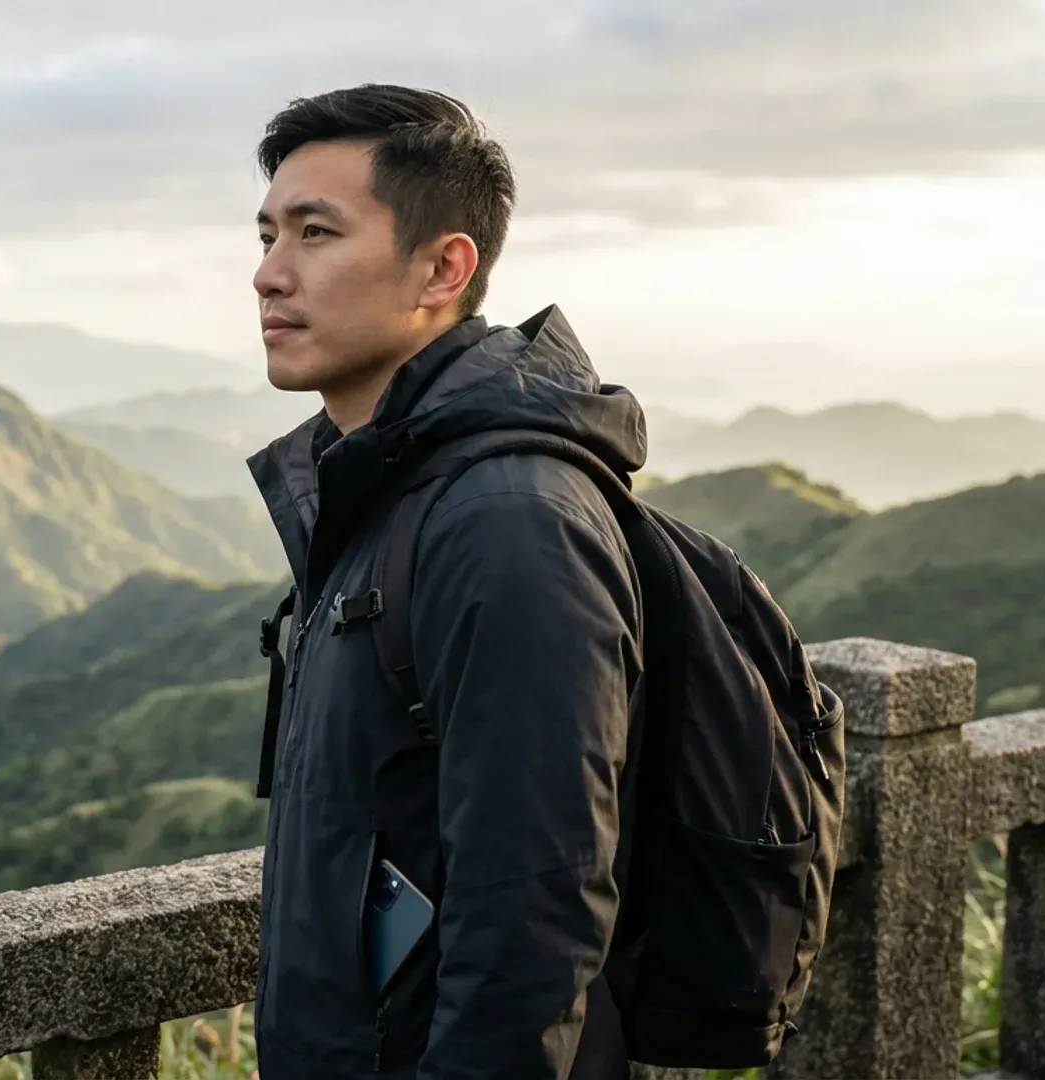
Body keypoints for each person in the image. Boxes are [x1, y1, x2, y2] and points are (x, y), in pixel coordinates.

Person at [246, 84, 647, 1078]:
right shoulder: (385, 485)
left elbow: (538, 909)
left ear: (441, 267)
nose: (268, 274)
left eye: (315, 233)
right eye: (266, 234)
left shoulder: (506, 524)